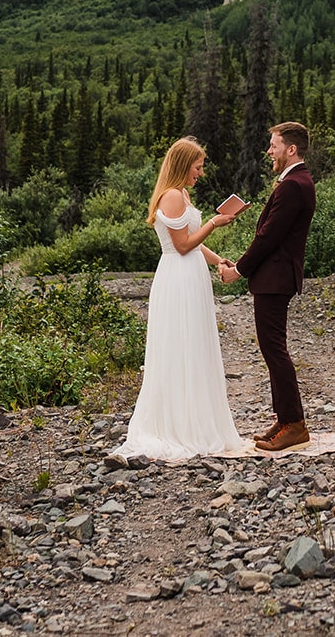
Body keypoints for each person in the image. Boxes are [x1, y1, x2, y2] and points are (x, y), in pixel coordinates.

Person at [114, 137, 246, 461]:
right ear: (183, 164)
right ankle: (178, 427)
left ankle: (195, 420)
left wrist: (219, 261)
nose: (200, 173)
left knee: (194, 346)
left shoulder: (183, 194)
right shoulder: (171, 196)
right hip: (177, 277)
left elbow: (195, 245)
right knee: (179, 347)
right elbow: (183, 245)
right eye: (198, 167)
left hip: (191, 275)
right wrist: (215, 222)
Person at [219, 121, 316, 452]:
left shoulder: (293, 185)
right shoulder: (294, 181)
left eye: (273, 146)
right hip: (275, 276)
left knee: (274, 349)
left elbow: (269, 236)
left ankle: (295, 424)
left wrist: (239, 270)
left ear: (291, 149)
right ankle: (285, 419)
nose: (269, 151)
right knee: (272, 348)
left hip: (275, 278)